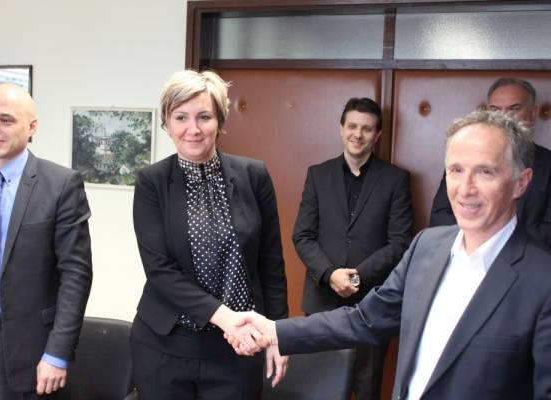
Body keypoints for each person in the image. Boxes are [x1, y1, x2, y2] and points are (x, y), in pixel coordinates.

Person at [229, 110, 551, 399]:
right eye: (456, 169)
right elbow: (364, 319)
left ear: (521, 183)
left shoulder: (543, 282)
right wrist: (274, 330)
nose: (465, 188)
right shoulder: (427, 247)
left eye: (485, 172)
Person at [131, 69, 289, 399]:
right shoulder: (151, 182)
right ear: (167, 123)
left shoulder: (254, 175)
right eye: (181, 117)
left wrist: (279, 334)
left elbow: (271, 264)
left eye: (204, 116)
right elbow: (160, 271)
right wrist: (225, 318)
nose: (193, 129)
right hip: (166, 345)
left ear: (220, 120)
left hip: (237, 350)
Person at [0, 83, 93, 399]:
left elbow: (76, 275)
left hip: (28, 348)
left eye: (5, 120)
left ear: (32, 127)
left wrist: (57, 353)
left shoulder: (61, 185)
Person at [292, 97, 413, 399]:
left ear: (378, 134)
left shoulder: (396, 179)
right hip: (321, 302)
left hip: (372, 304)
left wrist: (356, 276)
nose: (358, 134)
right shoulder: (317, 175)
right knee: (318, 388)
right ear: (341, 128)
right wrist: (330, 274)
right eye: (352, 126)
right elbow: (302, 236)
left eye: (367, 129)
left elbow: (400, 242)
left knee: (367, 388)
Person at [430, 77, 551, 248]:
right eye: (495, 110)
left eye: (513, 109)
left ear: (532, 114)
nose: (503, 117)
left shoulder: (548, 164)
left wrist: (494, 244)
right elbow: (440, 217)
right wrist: (475, 243)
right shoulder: (464, 159)